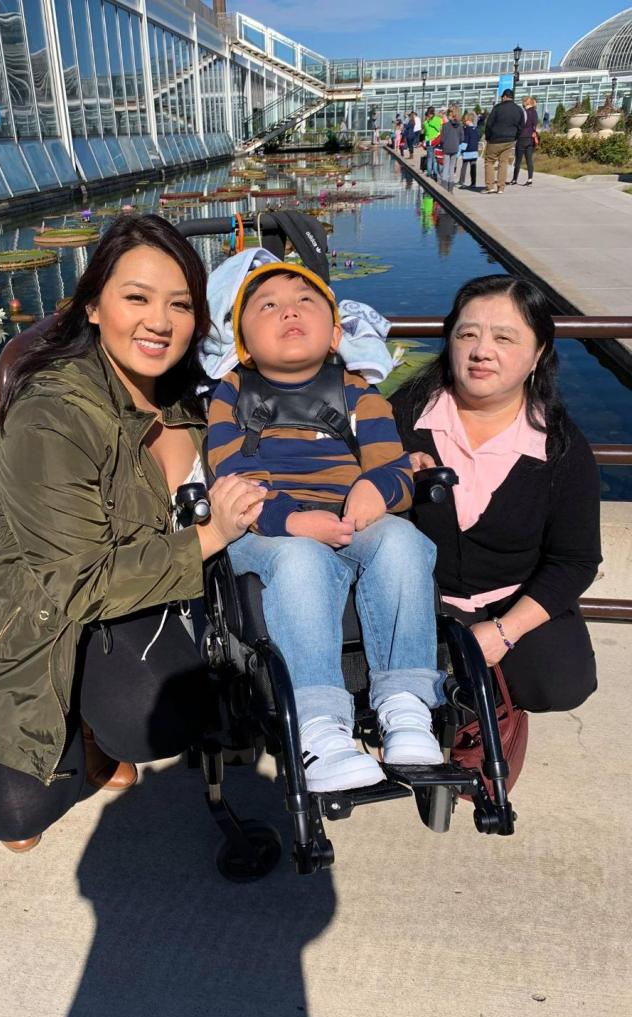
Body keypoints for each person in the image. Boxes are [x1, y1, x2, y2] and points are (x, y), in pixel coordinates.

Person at [0, 215, 265, 852]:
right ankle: (46, 726)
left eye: (180, 304)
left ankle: (93, 727)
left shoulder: (193, 398)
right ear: (94, 307)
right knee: (17, 813)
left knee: (163, 716)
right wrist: (210, 538)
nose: (160, 321)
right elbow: (77, 580)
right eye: (137, 297)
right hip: (12, 612)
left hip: (108, 591)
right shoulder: (52, 416)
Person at [207, 263, 445, 793]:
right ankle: (318, 726)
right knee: (301, 557)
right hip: (265, 527)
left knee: (404, 540)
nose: (289, 311)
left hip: (351, 517)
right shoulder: (231, 393)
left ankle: (405, 704)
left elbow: (392, 467)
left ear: (335, 333)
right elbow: (231, 476)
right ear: (244, 344)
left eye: (304, 301)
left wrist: (376, 489)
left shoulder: (358, 392)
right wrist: (290, 519)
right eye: (268, 305)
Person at [390, 275, 600, 715]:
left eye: (504, 338)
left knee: (559, 684)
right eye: (467, 334)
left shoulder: (560, 447)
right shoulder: (399, 419)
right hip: (419, 598)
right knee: (405, 693)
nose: (481, 351)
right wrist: (387, 479)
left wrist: (505, 631)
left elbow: (575, 560)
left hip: (513, 595)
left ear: (538, 353)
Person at [483, 88, 524, 194]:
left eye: (502, 97)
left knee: (489, 161)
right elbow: (521, 126)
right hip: (509, 140)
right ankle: (501, 187)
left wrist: (488, 137)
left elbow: (489, 124)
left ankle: (490, 186)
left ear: (505, 97)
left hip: (495, 139)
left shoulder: (497, 108)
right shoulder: (518, 109)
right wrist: (515, 137)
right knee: (504, 162)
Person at [511, 96, 538, 186]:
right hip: (530, 138)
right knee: (529, 160)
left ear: (526, 102)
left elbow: (521, 125)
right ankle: (530, 179)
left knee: (518, 160)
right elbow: (534, 125)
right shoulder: (535, 112)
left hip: (522, 137)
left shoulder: (524, 112)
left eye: (523, 101)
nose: (522, 103)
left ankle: (514, 179)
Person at [439, 105, 464, 192]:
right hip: (455, 148)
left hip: (446, 148)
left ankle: (444, 188)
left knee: (446, 167)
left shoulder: (445, 125)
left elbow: (442, 139)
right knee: (452, 168)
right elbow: (462, 138)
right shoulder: (460, 126)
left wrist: (443, 144)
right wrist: (457, 142)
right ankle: (451, 189)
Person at [459, 111, 480, 189]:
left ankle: (462, 181)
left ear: (468, 120)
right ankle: (473, 182)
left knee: (464, 166)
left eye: (465, 121)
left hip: (467, 151)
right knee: (473, 167)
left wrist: (461, 150)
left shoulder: (466, 129)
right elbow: (477, 138)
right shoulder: (476, 129)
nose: (464, 122)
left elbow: (465, 141)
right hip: (474, 151)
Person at [423, 106, 443, 180]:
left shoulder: (425, 122)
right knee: (435, 159)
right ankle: (435, 173)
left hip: (429, 141)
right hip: (436, 141)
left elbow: (425, 132)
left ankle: (429, 173)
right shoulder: (438, 119)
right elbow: (441, 129)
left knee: (429, 158)